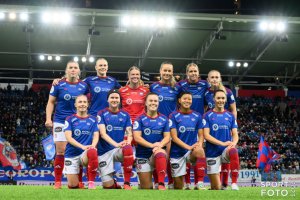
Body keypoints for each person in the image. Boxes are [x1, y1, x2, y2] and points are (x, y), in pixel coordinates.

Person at [45, 61, 89, 189]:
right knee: (61, 151)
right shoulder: (58, 84)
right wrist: (48, 118)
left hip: (77, 121)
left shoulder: (84, 86)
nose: (73, 70)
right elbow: (51, 102)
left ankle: (79, 182)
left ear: (79, 71)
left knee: (78, 151)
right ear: (66, 70)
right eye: (71, 67)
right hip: (60, 121)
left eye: (75, 68)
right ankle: (57, 182)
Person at [52, 58, 121, 116]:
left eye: (104, 65)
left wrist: (130, 83)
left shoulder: (113, 81)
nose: (103, 67)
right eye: (100, 65)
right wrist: (61, 79)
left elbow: (123, 90)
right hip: (94, 114)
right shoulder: (89, 80)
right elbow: (75, 82)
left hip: (109, 114)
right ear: (96, 67)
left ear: (107, 67)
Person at [204, 70, 237, 189]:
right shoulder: (206, 93)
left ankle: (225, 183)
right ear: (208, 80)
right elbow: (205, 108)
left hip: (225, 124)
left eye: (216, 77)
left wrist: (233, 125)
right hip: (211, 124)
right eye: (212, 77)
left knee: (227, 151)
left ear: (220, 78)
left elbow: (233, 109)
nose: (214, 79)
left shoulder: (228, 92)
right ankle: (216, 184)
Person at [97, 89, 134, 190]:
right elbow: (103, 134)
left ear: (120, 100)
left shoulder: (125, 115)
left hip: (118, 150)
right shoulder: (101, 113)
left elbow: (129, 132)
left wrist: (128, 142)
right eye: (112, 97)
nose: (114, 99)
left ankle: (127, 182)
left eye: (116, 97)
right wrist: (116, 144)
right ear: (107, 100)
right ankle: (114, 183)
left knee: (128, 148)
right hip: (104, 151)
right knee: (108, 186)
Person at [169, 91, 206, 190]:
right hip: (177, 153)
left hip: (191, 151)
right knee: (178, 187)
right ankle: (182, 182)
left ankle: (200, 182)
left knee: (200, 151)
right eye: (185, 98)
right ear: (179, 100)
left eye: (189, 99)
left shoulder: (197, 116)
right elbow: (174, 137)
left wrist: (199, 144)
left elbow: (201, 135)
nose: (187, 101)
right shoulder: (173, 116)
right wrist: (188, 147)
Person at [150, 61, 178, 189]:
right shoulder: (154, 87)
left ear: (172, 72)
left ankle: (171, 181)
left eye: (169, 71)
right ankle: (157, 181)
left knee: (169, 154)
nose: (167, 73)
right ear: (160, 71)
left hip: (171, 126)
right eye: (165, 70)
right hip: (156, 124)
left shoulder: (177, 87)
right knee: (157, 152)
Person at [133, 93, 170, 190]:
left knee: (161, 153)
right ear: (145, 103)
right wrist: (152, 145)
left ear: (158, 103)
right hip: (143, 156)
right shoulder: (139, 119)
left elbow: (167, 137)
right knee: (147, 188)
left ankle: (161, 183)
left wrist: (159, 146)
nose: (153, 103)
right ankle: (144, 180)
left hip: (157, 153)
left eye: (155, 101)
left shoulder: (164, 119)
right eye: (150, 101)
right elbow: (137, 137)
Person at [63, 95, 99, 189]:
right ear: (75, 104)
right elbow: (68, 138)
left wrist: (93, 145)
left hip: (85, 154)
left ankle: (91, 183)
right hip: (71, 154)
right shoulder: (69, 119)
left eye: (84, 102)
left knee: (92, 151)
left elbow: (96, 135)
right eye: (80, 102)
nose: (82, 104)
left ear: (87, 104)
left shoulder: (93, 120)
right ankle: (78, 180)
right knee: (73, 186)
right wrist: (82, 146)